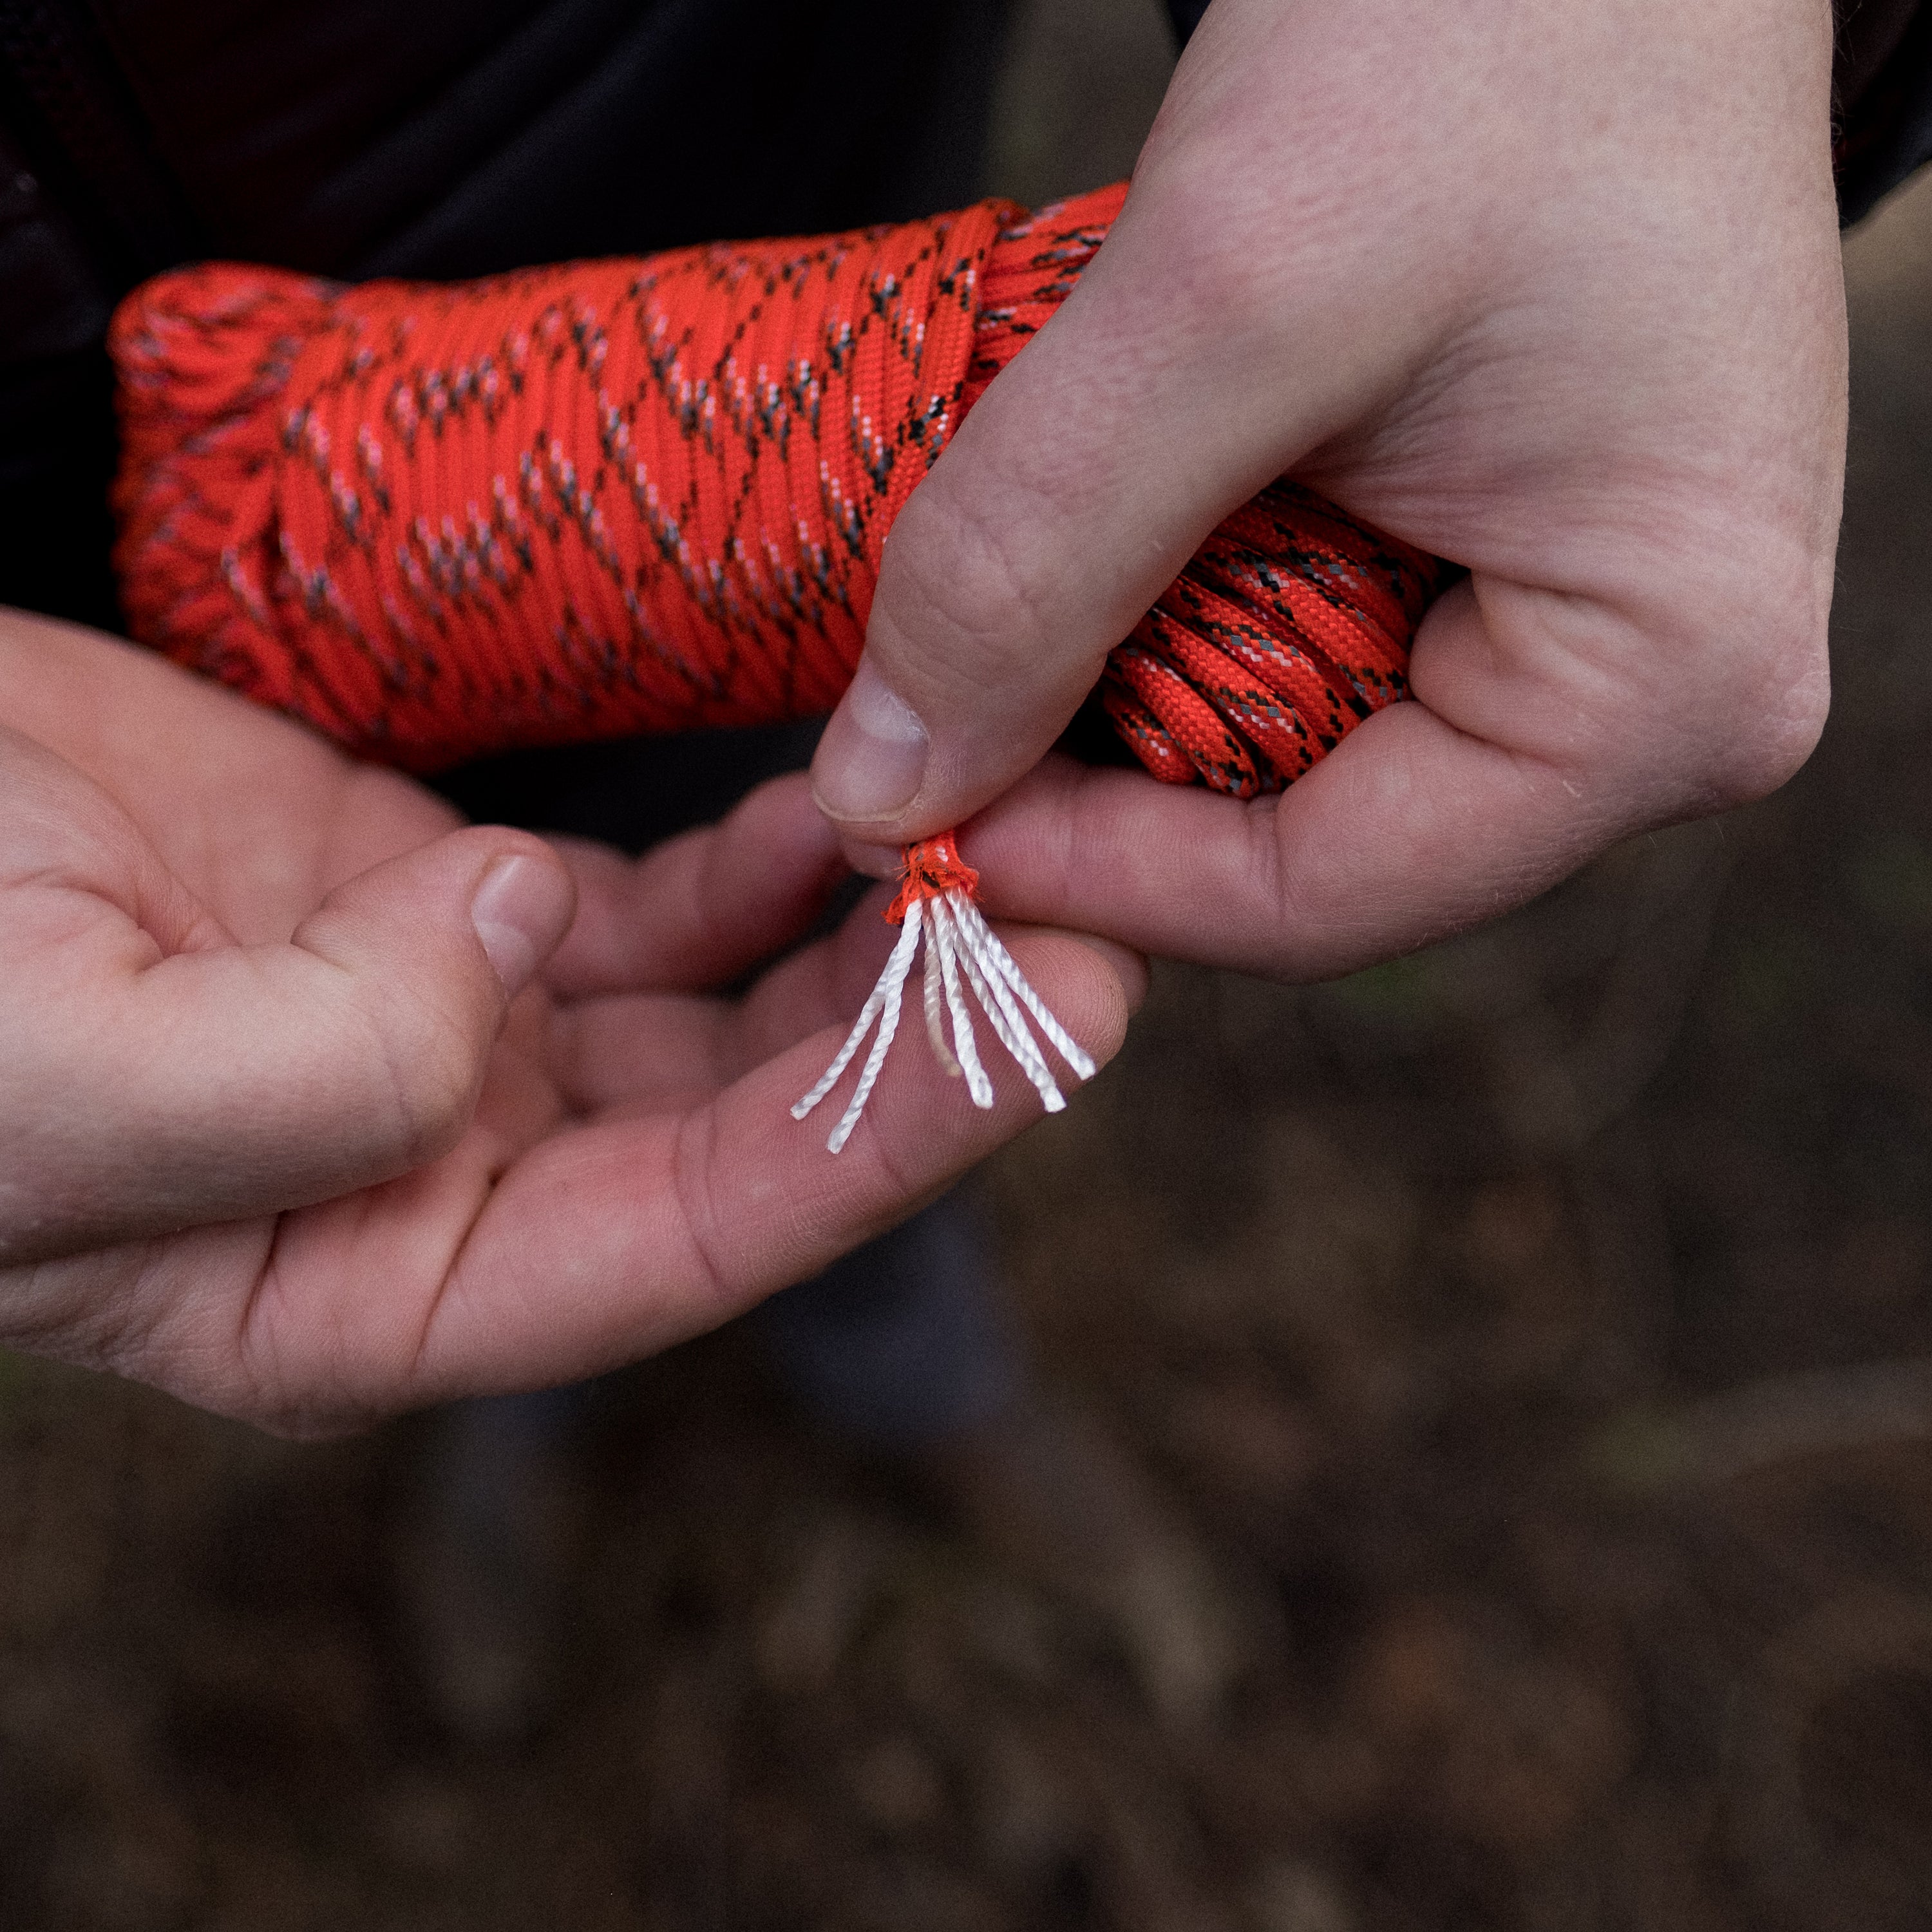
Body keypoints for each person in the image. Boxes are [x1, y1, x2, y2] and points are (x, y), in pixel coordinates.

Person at [0, 0, 1925, 1441]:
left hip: (733, 116)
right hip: (146, 643)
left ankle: (897, 1343)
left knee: (809, 983)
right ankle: (530, 1427)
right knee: (467, 1084)